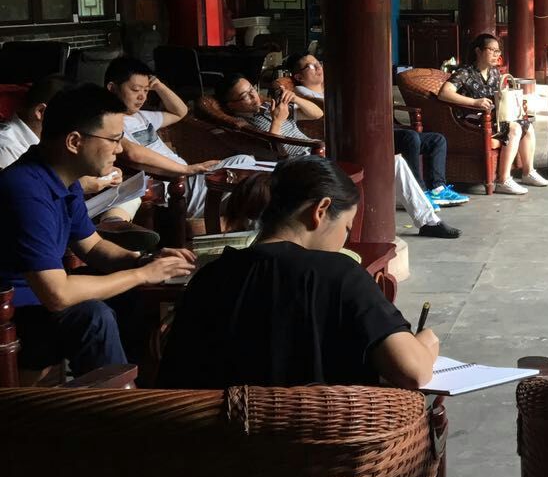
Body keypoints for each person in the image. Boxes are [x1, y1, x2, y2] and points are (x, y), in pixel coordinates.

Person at [157, 156, 440, 388]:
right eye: (346, 227)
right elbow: (413, 372)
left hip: (224, 438)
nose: (345, 239)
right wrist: (425, 344)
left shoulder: (210, 276)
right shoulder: (340, 274)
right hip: (322, 437)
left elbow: (175, 377)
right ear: (321, 210)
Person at [0, 84, 195, 375]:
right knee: (93, 316)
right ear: (74, 142)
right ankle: (116, 401)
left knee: (133, 293)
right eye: (114, 139)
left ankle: (148, 382)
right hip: (13, 316)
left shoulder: (62, 179)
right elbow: (58, 294)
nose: (120, 149)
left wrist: (144, 262)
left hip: (37, 302)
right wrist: (141, 274)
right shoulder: (25, 189)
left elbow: (92, 246)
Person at [216, 74, 459, 239]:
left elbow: (316, 114)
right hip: (302, 167)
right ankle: (427, 221)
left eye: (252, 90)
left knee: (393, 161)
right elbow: (273, 151)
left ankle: (428, 221)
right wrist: (278, 121)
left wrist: (295, 99)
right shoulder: (244, 125)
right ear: (231, 105)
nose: (254, 97)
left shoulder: (266, 107)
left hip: (317, 155)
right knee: (391, 163)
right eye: (245, 96)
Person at [284, 52, 468, 207]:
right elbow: (325, 109)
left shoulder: (331, 87)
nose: (318, 67)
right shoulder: (303, 94)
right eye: (311, 66)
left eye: (318, 63)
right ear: (299, 77)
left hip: (375, 127)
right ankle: (419, 193)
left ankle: (437, 188)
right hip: (361, 134)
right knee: (410, 137)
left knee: (436, 140)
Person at [105, 57, 256, 219]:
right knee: (252, 186)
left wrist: (159, 86)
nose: (142, 97)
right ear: (112, 88)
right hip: (173, 188)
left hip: (189, 178)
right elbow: (133, 153)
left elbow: (180, 112)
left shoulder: (142, 116)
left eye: (146, 91)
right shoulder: (108, 123)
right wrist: (186, 169)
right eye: (136, 90)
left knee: (246, 162)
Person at [0, 75, 141, 225]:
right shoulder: (6, 147)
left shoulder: (54, 150)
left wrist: (103, 170)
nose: (119, 149)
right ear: (41, 112)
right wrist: (84, 184)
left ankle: (114, 223)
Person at [438, 33, 548, 195]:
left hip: (493, 119)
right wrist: (474, 102)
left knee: (527, 125)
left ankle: (528, 172)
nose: (496, 55)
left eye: (498, 51)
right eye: (492, 50)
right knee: (514, 128)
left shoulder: (495, 73)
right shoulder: (465, 72)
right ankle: (503, 180)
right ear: (478, 51)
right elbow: (444, 93)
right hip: (472, 121)